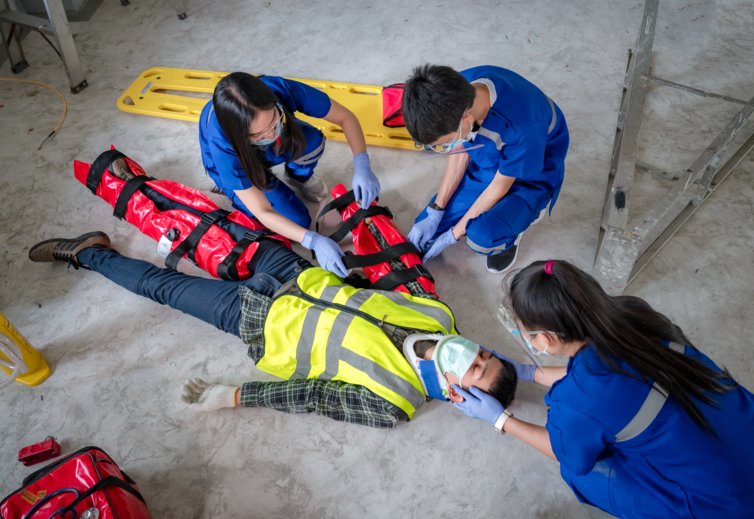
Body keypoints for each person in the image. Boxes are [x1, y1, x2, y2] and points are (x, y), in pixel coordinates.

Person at [28, 232, 517, 429]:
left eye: (474, 369)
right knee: (216, 229)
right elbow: (378, 285)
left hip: (257, 318)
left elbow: (312, 395)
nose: (469, 354)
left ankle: (86, 253)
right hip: (296, 273)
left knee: (163, 287)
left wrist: (235, 396)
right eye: (484, 353)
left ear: (459, 396)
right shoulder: (439, 316)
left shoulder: (396, 401)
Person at [452, 259, 754, 518]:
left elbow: (566, 451)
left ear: (547, 338)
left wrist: (500, 420)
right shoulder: (633, 314)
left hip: (737, 506)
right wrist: (531, 373)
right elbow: (611, 370)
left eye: (528, 333)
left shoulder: (578, 402)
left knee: (581, 473)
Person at [199, 72, 383, 277]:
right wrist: (312, 240)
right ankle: (250, 183)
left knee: (311, 141)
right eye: (258, 134)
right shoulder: (222, 144)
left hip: (256, 149)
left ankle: (297, 177)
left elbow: (345, 117)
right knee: (297, 222)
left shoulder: (278, 88)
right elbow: (262, 211)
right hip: (241, 164)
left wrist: (362, 164)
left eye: (273, 121)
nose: (270, 135)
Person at [403, 64, 569, 273]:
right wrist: (436, 209)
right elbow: (461, 148)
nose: (446, 147)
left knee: (482, 236)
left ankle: (521, 223)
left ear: (466, 120)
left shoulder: (522, 127)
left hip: (532, 173)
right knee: (428, 229)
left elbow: (499, 187)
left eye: (446, 141)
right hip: (490, 160)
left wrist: (452, 236)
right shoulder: (454, 90)